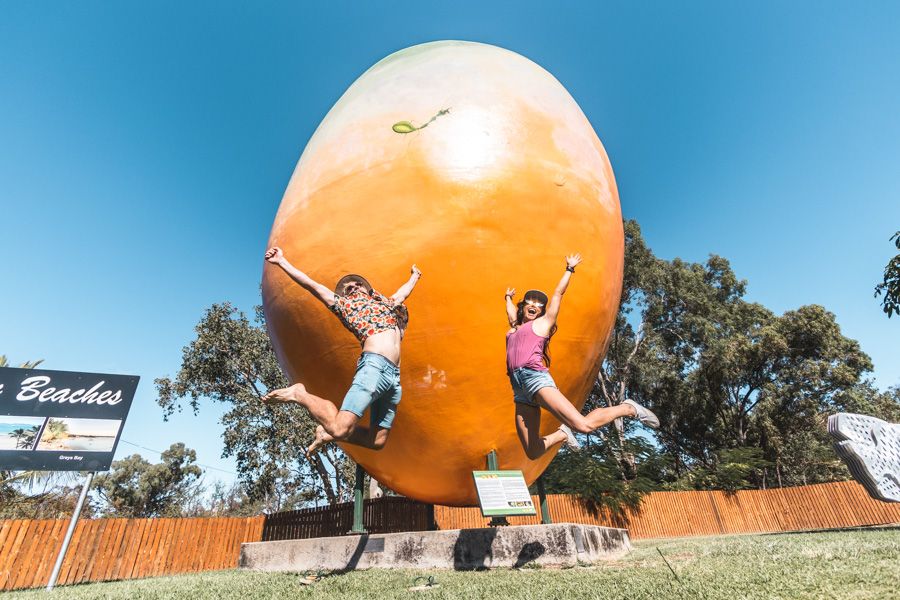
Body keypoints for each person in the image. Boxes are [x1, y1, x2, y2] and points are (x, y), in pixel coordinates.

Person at [261, 246, 421, 456]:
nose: (352, 287)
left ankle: (326, 434)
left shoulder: (386, 304)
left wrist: (415, 276)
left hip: (393, 376)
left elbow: (403, 292)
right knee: (339, 427)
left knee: (378, 441)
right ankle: (299, 394)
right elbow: (311, 285)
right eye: (347, 288)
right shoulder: (345, 306)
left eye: (357, 284)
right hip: (374, 367)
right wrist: (282, 262)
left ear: (368, 290)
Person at [505, 254, 660, 460]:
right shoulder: (514, 329)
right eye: (530, 301)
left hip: (534, 379)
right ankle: (562, 434)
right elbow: (510, 315)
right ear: (523, 305)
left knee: (583, 425)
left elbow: (558, 294)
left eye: (539, 304)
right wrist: (507, 298)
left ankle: (628, 408)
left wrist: (569, 269)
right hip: (519, 389)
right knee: (532, 451)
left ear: (542, 311)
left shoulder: (542, 324)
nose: (534, 304)